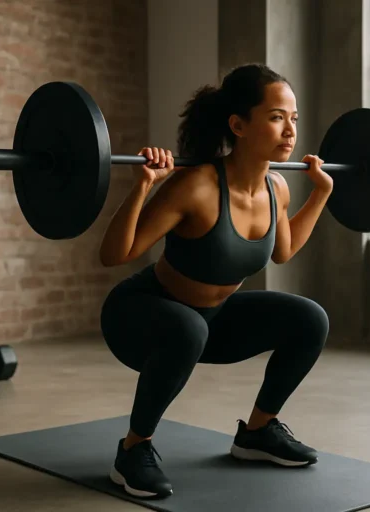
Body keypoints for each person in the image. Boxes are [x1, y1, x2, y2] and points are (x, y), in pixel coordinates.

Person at [98, 63, 333, 499]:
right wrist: (143, 186)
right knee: (189, 329)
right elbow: (115, 255)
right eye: (276, 117)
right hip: (141, 317)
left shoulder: (276, 187)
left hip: (211, 323)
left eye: (293, 120)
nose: (289, 132)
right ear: (238, 125)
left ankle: (258, 433)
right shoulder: (197, 186)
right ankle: (133, 449)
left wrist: (320, 193)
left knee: (310, 319)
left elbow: (283, 251)